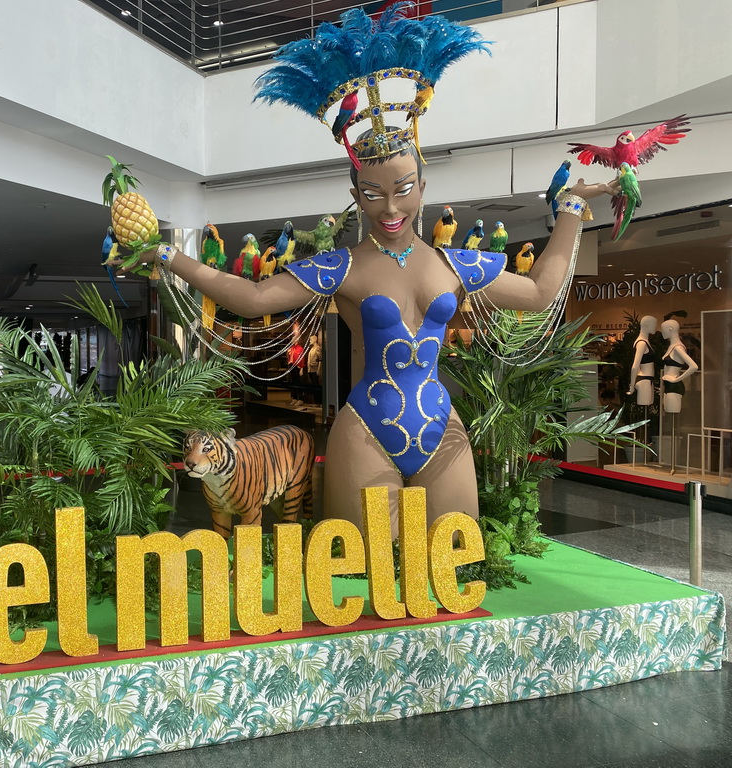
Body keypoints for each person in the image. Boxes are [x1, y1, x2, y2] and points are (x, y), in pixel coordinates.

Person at [116, 9, 616, 533]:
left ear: (422, 187)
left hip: (442, 433)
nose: (390, 207)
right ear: (355, 196)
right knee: (367, 577)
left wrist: (571, 211)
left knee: (454, 563)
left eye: (402, 189)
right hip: (366, 435)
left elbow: (539, 292)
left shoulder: (455, 263)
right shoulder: (343, 265)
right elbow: (253, 298)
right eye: (373, 194)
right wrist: (167, 255)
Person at [660, 318, 698, 414]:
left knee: (672, 415)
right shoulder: (671, 346)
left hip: (674, 386)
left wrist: (677, 379)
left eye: (663, 329)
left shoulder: (678, 347)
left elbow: (694, 366)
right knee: (668, 415)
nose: (662, 332)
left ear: (670, 329)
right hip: (668, 385)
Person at [627, 315, 658, 406]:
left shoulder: (645, 341)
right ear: (647, 324)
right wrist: (632, 386)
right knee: (644, 406)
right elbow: (635, 366)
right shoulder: (641, 343)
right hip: (644, 379)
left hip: (648, 379)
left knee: (647, 407)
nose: (655, 327)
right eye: (654, 324)